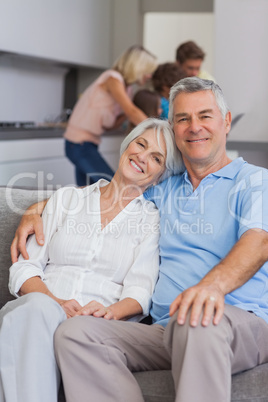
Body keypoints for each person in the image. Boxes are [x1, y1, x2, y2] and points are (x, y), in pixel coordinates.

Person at [10, 78, 268, 402]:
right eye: (183, 119)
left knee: (197, 319)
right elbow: (104, 194)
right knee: (75, 333)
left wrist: (210, 288)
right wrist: (35, 209)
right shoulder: (163, 188)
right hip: (163, 330)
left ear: (226, 121)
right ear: (174, 129)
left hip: (232, 321)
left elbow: (258, 242)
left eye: (205, 116)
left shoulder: (255, 181)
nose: (194, 127)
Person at [0, 118, 184, 402]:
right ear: (127, 145)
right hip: (37, 311)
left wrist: (109, 315)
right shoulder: (67, 199)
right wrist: (55, 303)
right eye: (140, 144)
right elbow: (25, 267)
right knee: (38, 309)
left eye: (156, 157)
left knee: (68, 329)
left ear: (160, 174)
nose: (142, 157)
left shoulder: (151, 221)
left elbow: (141, 291)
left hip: (93, 325)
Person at [64, 45, 158, 186]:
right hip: (78, 144)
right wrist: (158, 132)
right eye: (148, 71)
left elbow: (115, 122)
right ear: (138, 67)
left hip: (90, 144)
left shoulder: (128, 89)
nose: (149, 76)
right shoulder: (112, 79)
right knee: (112, 186)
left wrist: (129, 115)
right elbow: (131, 111)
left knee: (87, 192)